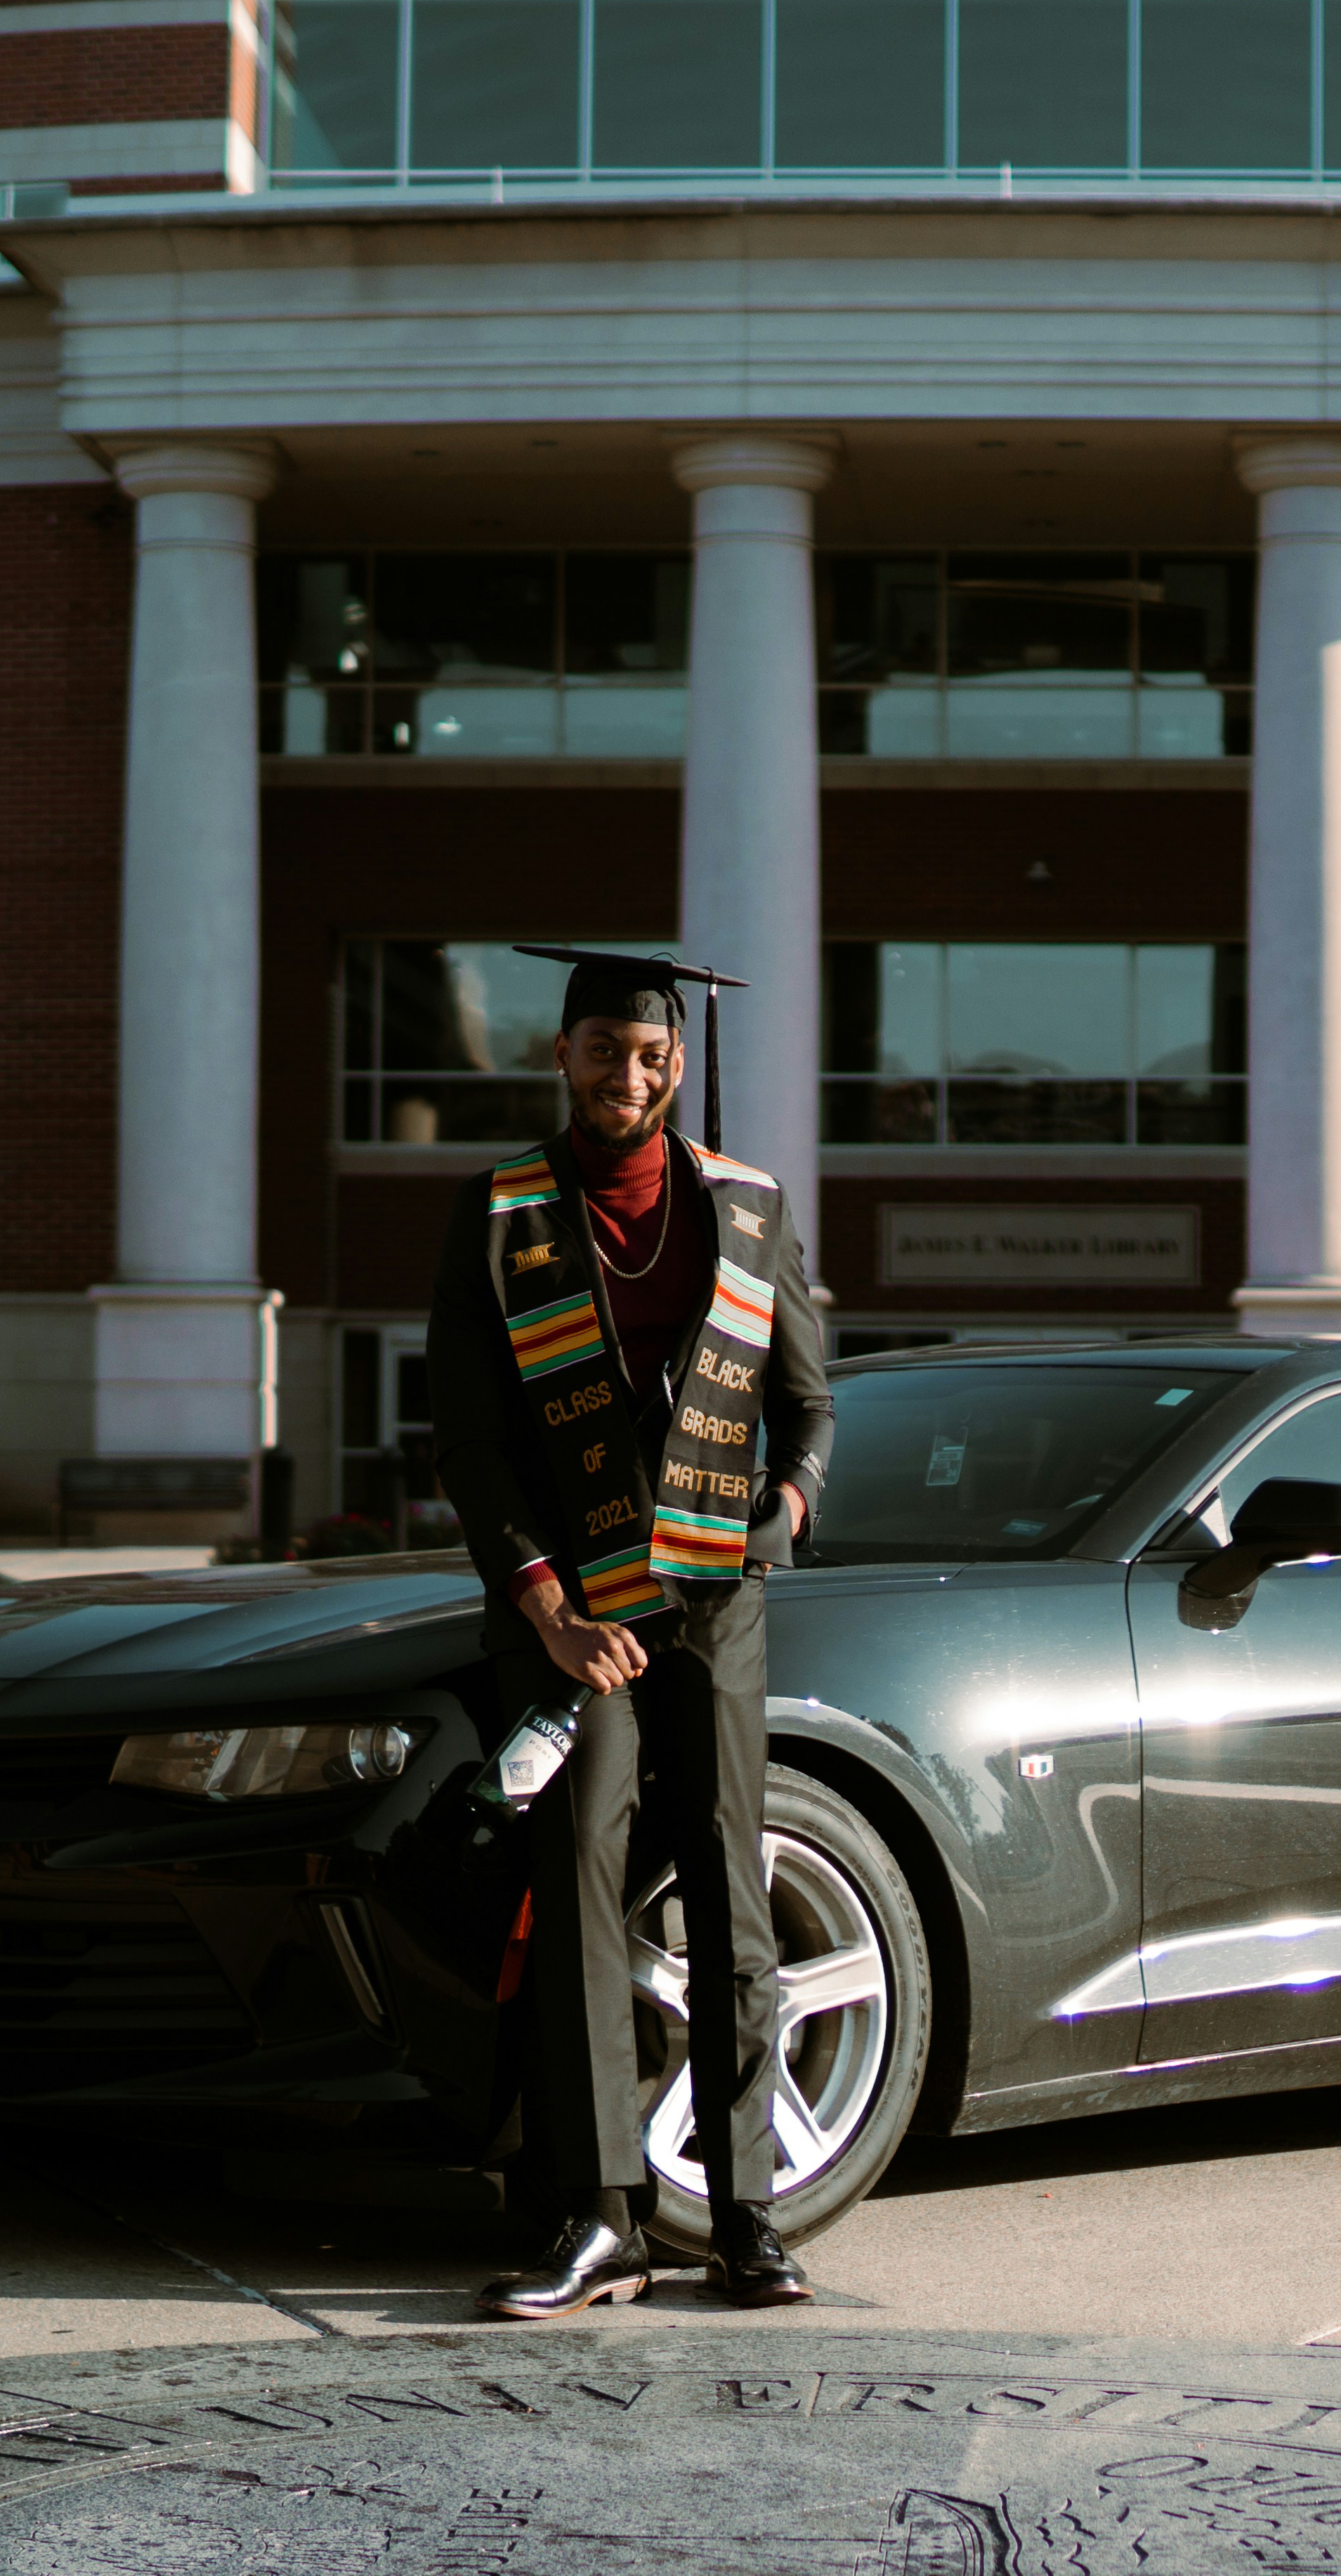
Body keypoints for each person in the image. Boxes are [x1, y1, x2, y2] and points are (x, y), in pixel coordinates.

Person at [426, 948, 834, 2319]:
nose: (630, 1071)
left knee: (729, 1876)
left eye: (651, 1051)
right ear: (562, 1054)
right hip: (572, 1606)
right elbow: (471, 1438)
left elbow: (809, 1398)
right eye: (605, 1047)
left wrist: (788, 1500)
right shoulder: (501, 1211)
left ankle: (748, 2215)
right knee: (580, 1871)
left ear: (676, 1061)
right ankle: (601, 2215)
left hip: (716, 1592)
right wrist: (541, 1601)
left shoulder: (750, 1206)